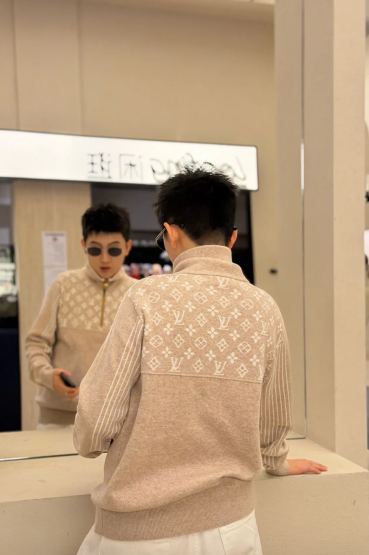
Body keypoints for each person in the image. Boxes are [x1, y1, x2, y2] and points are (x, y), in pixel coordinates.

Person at [74, 166, 327, 555]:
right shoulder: (265, 308)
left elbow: (97, 419)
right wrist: (277, 462)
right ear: (232, 237)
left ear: (171, 233)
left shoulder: (144, 298)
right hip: (233, 530)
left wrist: (90, 444)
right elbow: (273, 419)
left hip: (139, 532)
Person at [25, 203, 136, 428]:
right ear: (84, 246)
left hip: (113, 419)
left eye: (113, 250)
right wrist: (48, 376)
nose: (104, 259)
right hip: (57, 414)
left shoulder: (137, 294)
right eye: (95, 250)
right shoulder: (63, 285)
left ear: (127, 247)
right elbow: (36, 343)